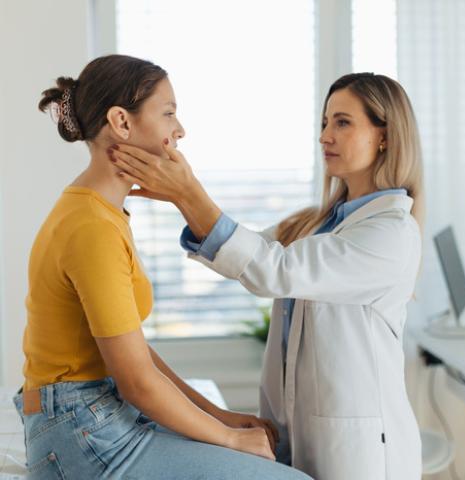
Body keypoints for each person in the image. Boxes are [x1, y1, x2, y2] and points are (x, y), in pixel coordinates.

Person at [111, 72, 425, 480]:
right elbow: (251, 252)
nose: (325, 136)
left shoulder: (391, 233)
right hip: (297, 431)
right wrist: (181, 198)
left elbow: (273, 270)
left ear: (385, 135)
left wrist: (188, 192)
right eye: (324, 123)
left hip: (362, 452)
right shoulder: (319, 223)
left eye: (342, 122)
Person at [14, 54, 311, 480]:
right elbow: (136, 381)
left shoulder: (100, 212)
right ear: (122, 122)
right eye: (168, 113)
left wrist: (219, 417)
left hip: (96, 421)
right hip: (82, 437)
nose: (180, 130)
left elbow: (133, 357)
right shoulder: (91, 226)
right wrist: (227, 438)